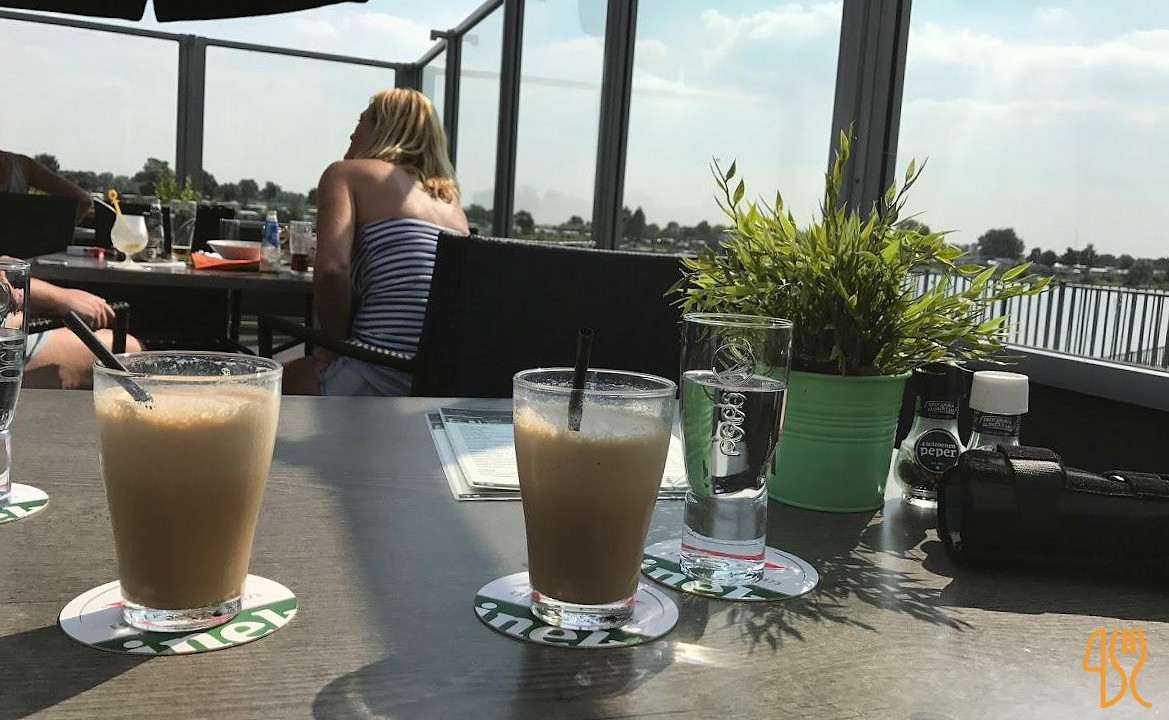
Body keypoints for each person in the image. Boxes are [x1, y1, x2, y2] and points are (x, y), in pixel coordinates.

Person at [283, 88, 469, 396]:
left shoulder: (346, 174)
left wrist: (333, 345)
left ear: (384, 128)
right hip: (441, 382)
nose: (352, 134)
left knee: (266, 384)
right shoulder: (450, 203)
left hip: (380, 370)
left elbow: (332, 271)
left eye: (361, 121)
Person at [1, 149, 142, 388]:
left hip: (12, 323)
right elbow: (82, 200)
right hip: (7, 343)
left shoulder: (19, 166)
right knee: (131, 353)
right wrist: (61, 298)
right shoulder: (19, 166)